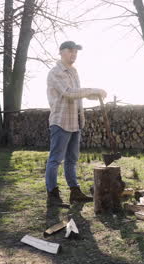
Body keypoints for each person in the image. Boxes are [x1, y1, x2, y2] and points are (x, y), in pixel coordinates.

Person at [45, 40, 106, 207]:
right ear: (61, 52)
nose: (74, 54)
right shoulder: (56, 72)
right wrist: (92, 90)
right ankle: (52, 195)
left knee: (72, 159)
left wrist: (98, 94)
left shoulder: (73, 72)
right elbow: (69, 93)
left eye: (76, 52)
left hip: (75, 121)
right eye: (71, 51)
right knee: (55, 159)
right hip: (61, 121)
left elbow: (80, 95)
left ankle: (75, 192)